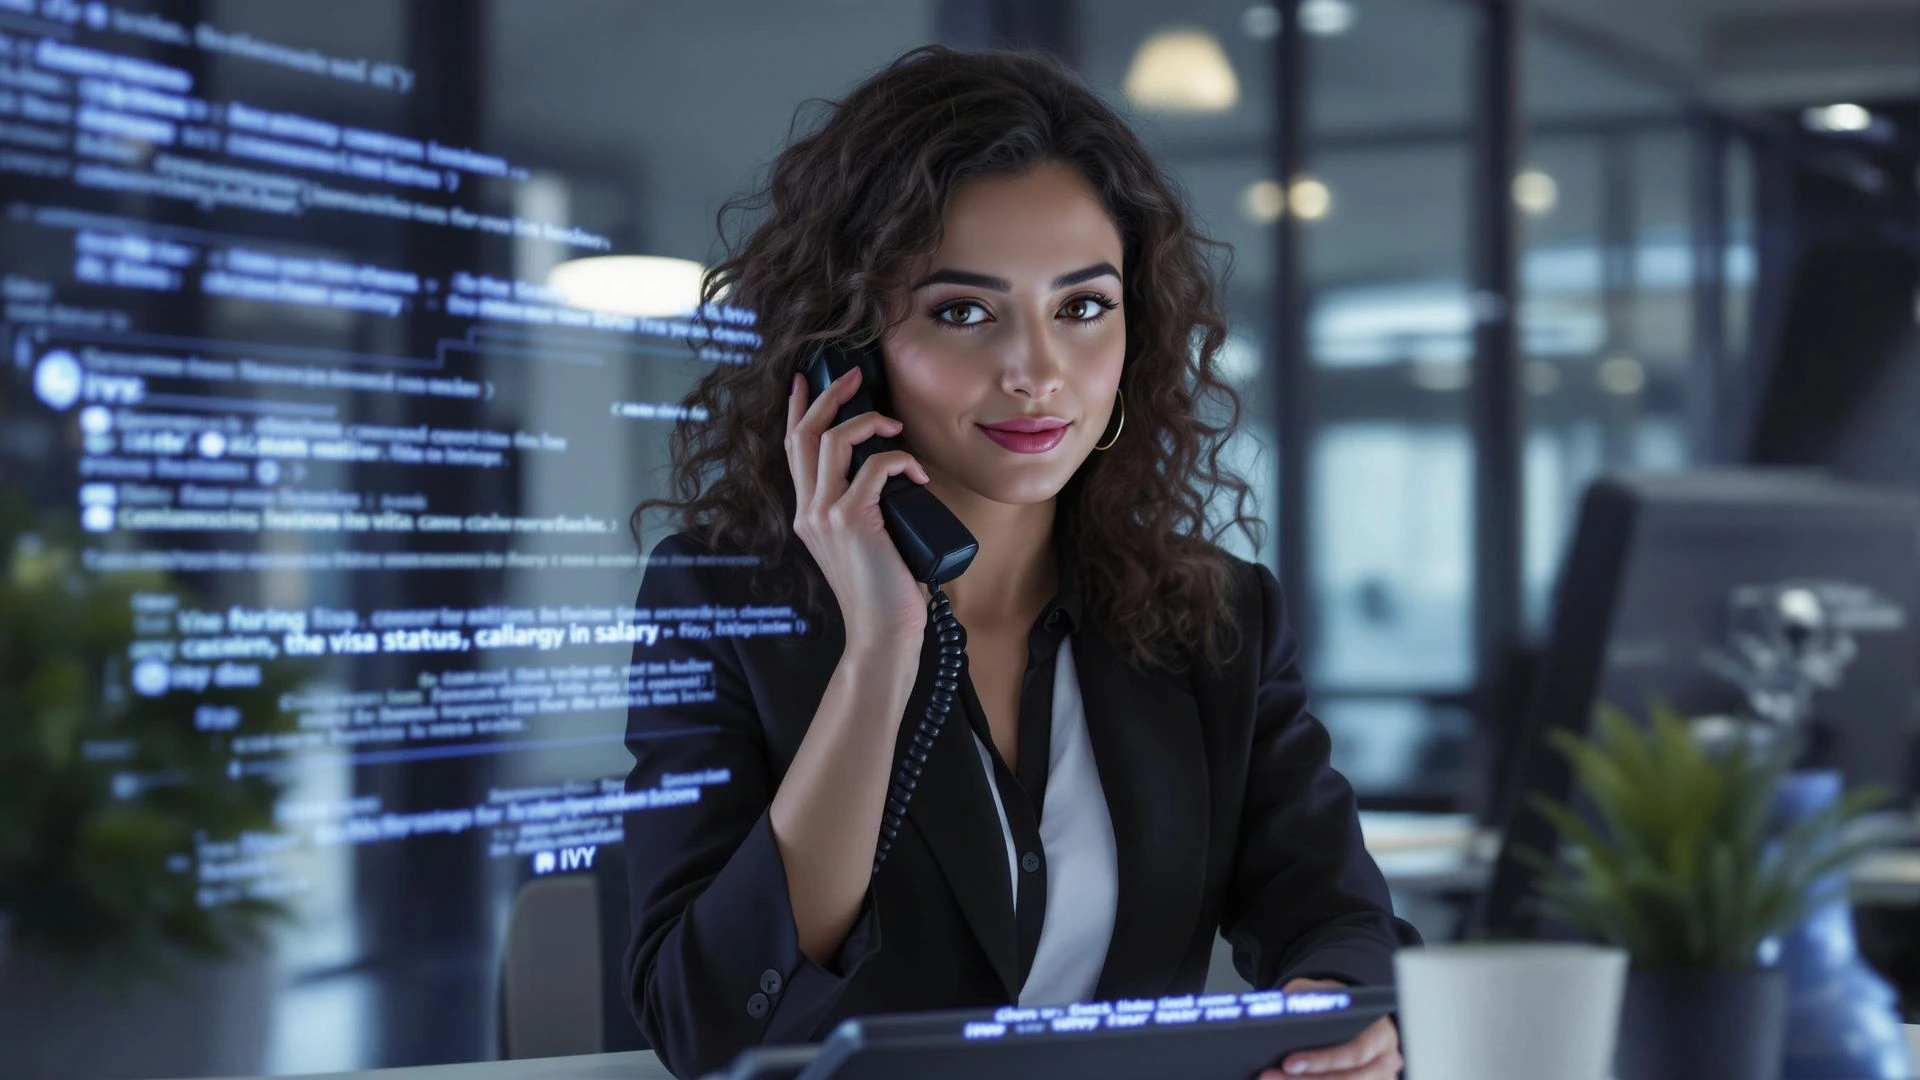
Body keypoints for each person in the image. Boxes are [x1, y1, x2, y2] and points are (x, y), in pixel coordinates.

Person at [620, 44, 1420, 1080]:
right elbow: (705, 1028)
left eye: (1082, 307)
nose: (1038, 373)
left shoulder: (1213, 618)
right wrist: (882, 652)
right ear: (847, 355)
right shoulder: (720, 604)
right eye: (963, 311)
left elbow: (1340, 917)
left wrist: (1339, 1010)